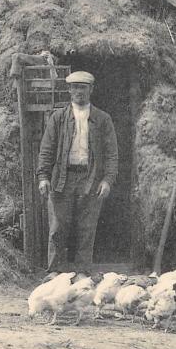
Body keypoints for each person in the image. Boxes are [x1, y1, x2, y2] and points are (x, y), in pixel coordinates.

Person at [36, 71, 118, 272]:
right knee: (58, 227)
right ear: (69, 90)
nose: (79, 92)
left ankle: (82, 274)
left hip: (90, 179)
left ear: (91, 89)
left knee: (86, 228)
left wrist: (107, 180)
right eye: (75, 87)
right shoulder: (58, 118)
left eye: (83, 87)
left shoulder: (102, 119)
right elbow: (46, 149)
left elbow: (112, 153)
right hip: (61, 179)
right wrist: (43, 177)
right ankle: (55, 273)